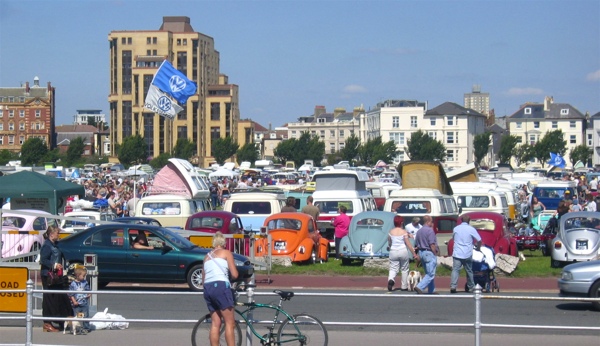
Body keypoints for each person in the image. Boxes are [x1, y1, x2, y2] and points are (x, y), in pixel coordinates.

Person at [202, 232, 239, 346]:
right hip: (221, 286)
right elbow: (234, 274)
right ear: (224, 242)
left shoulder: (206, 257)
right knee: (229, 322)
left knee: (215, 323)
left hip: (208, 288)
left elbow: (204, 278)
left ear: (213, 243)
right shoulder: (226, 253)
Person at [39, 226, 72, 332]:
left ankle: (61, 321)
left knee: (60, 297)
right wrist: (54, 265)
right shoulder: (47, 246)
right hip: (48, 276)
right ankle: (47, 323)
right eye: (57, 233)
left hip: (57, 275)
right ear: (51, 234)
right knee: (49, 298)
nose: (59, 235)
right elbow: (43, 260)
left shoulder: (56, 244)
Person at [450, 214, 482, 294]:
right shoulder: (471, 229)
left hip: (457, 253)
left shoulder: (456, 229)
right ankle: (471, 286)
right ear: (469, 221)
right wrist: (478, 248)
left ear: (461, 221)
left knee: (455, 270)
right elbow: (479, 240)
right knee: (469, 271)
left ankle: (453, 286)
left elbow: (453, 238)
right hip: (467, 252)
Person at [387, 216, 418, 292]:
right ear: (401, 223)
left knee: (393, 268)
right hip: (402, 250)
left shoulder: (391, 232)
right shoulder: (404, 232)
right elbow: (408, 244)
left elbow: (389, 242)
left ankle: (391, 279)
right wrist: (414, 253)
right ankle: (404, 286)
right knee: (404, 268)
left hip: (393, 251)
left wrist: (390, 247)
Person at [414, 215, 439, 294]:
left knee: (428, 272)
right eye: (432, 221)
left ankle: (431, 290)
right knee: (430, 274)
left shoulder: (419, 231)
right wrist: (435, 252)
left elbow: (417, 244)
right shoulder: (430, 231)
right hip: (428, 252)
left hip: (421, 252)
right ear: (428, 221)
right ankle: (419, 286)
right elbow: (432, 244)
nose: (432, 223)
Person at [68, 266, 92, 333]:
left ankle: (86, 327)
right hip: (76, 303)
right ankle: (77, 328)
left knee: (86, 315)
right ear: (78, 275)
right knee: (76, 316)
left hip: (84, 302)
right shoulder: (73, 284)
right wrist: (74, 301)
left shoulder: (85, 282)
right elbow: (71, 294)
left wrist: (89, 294)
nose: (84, 277)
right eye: (83, 276)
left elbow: (88, 290)